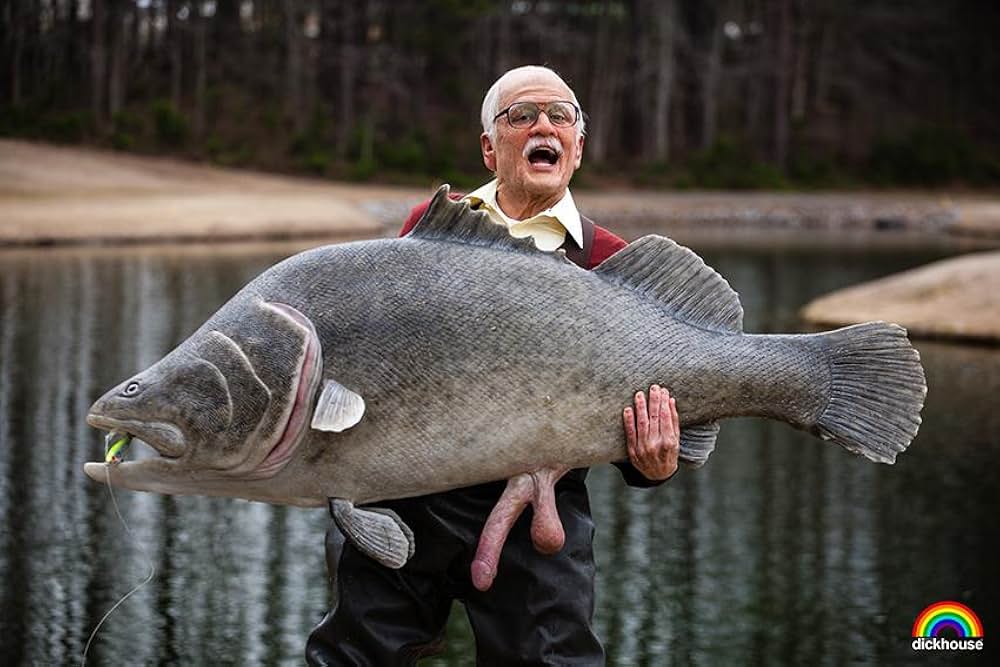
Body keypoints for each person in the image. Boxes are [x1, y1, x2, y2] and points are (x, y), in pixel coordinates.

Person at [306, 65, 681, 666]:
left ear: (578, 148)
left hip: (541, 514)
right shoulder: (425, 232)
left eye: (562, 116)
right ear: (490, 147)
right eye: (522, 115)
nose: (545, 127)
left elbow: (654, 411)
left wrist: (655, 465)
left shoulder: (610, 262)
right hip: (403, 498)